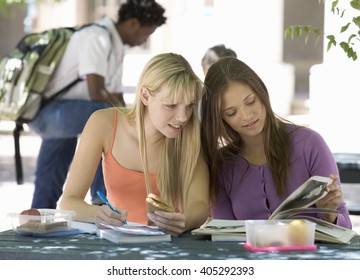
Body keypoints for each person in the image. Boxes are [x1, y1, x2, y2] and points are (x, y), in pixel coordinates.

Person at [28, 0, 166, 208]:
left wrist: (135, 119)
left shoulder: (115, 45)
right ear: (133, 24)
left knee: (54, 169)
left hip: (69, 115)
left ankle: (37, 218)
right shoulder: (97, 37)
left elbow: (117, 97)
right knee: (106, 117)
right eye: (146, 33)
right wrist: (125, 122)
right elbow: (96, 92)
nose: (144, 39)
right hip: (50, 112)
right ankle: (100, 200)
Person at [59, 53, 210, 237]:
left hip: (172, 246)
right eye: (171, 105)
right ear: (145, 96)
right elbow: (68, 201)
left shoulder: (191, 134)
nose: (183, 117)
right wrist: (97, 214)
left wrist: (185, 221)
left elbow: (200, 206)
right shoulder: (103, 123)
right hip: (117, 243)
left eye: (189, 105)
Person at [200, 57, 352, 229]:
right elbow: (224, 235)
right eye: (231, 112)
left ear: (262, 93)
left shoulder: (310, 144)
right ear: (220, 118)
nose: (246, 116)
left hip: (309, 254)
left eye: (251, 102)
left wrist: (330, 213)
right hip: (248, 255)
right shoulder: (222, 166)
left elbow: (346, 228)